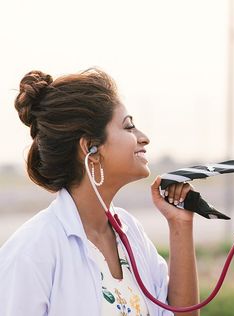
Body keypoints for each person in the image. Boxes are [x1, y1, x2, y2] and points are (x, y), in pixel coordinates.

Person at [0, 69, 199, 316]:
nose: (144, 138)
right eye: (129, 127)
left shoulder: (131, 232)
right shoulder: (31, 252)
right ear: (90, 149)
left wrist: (180, 225)